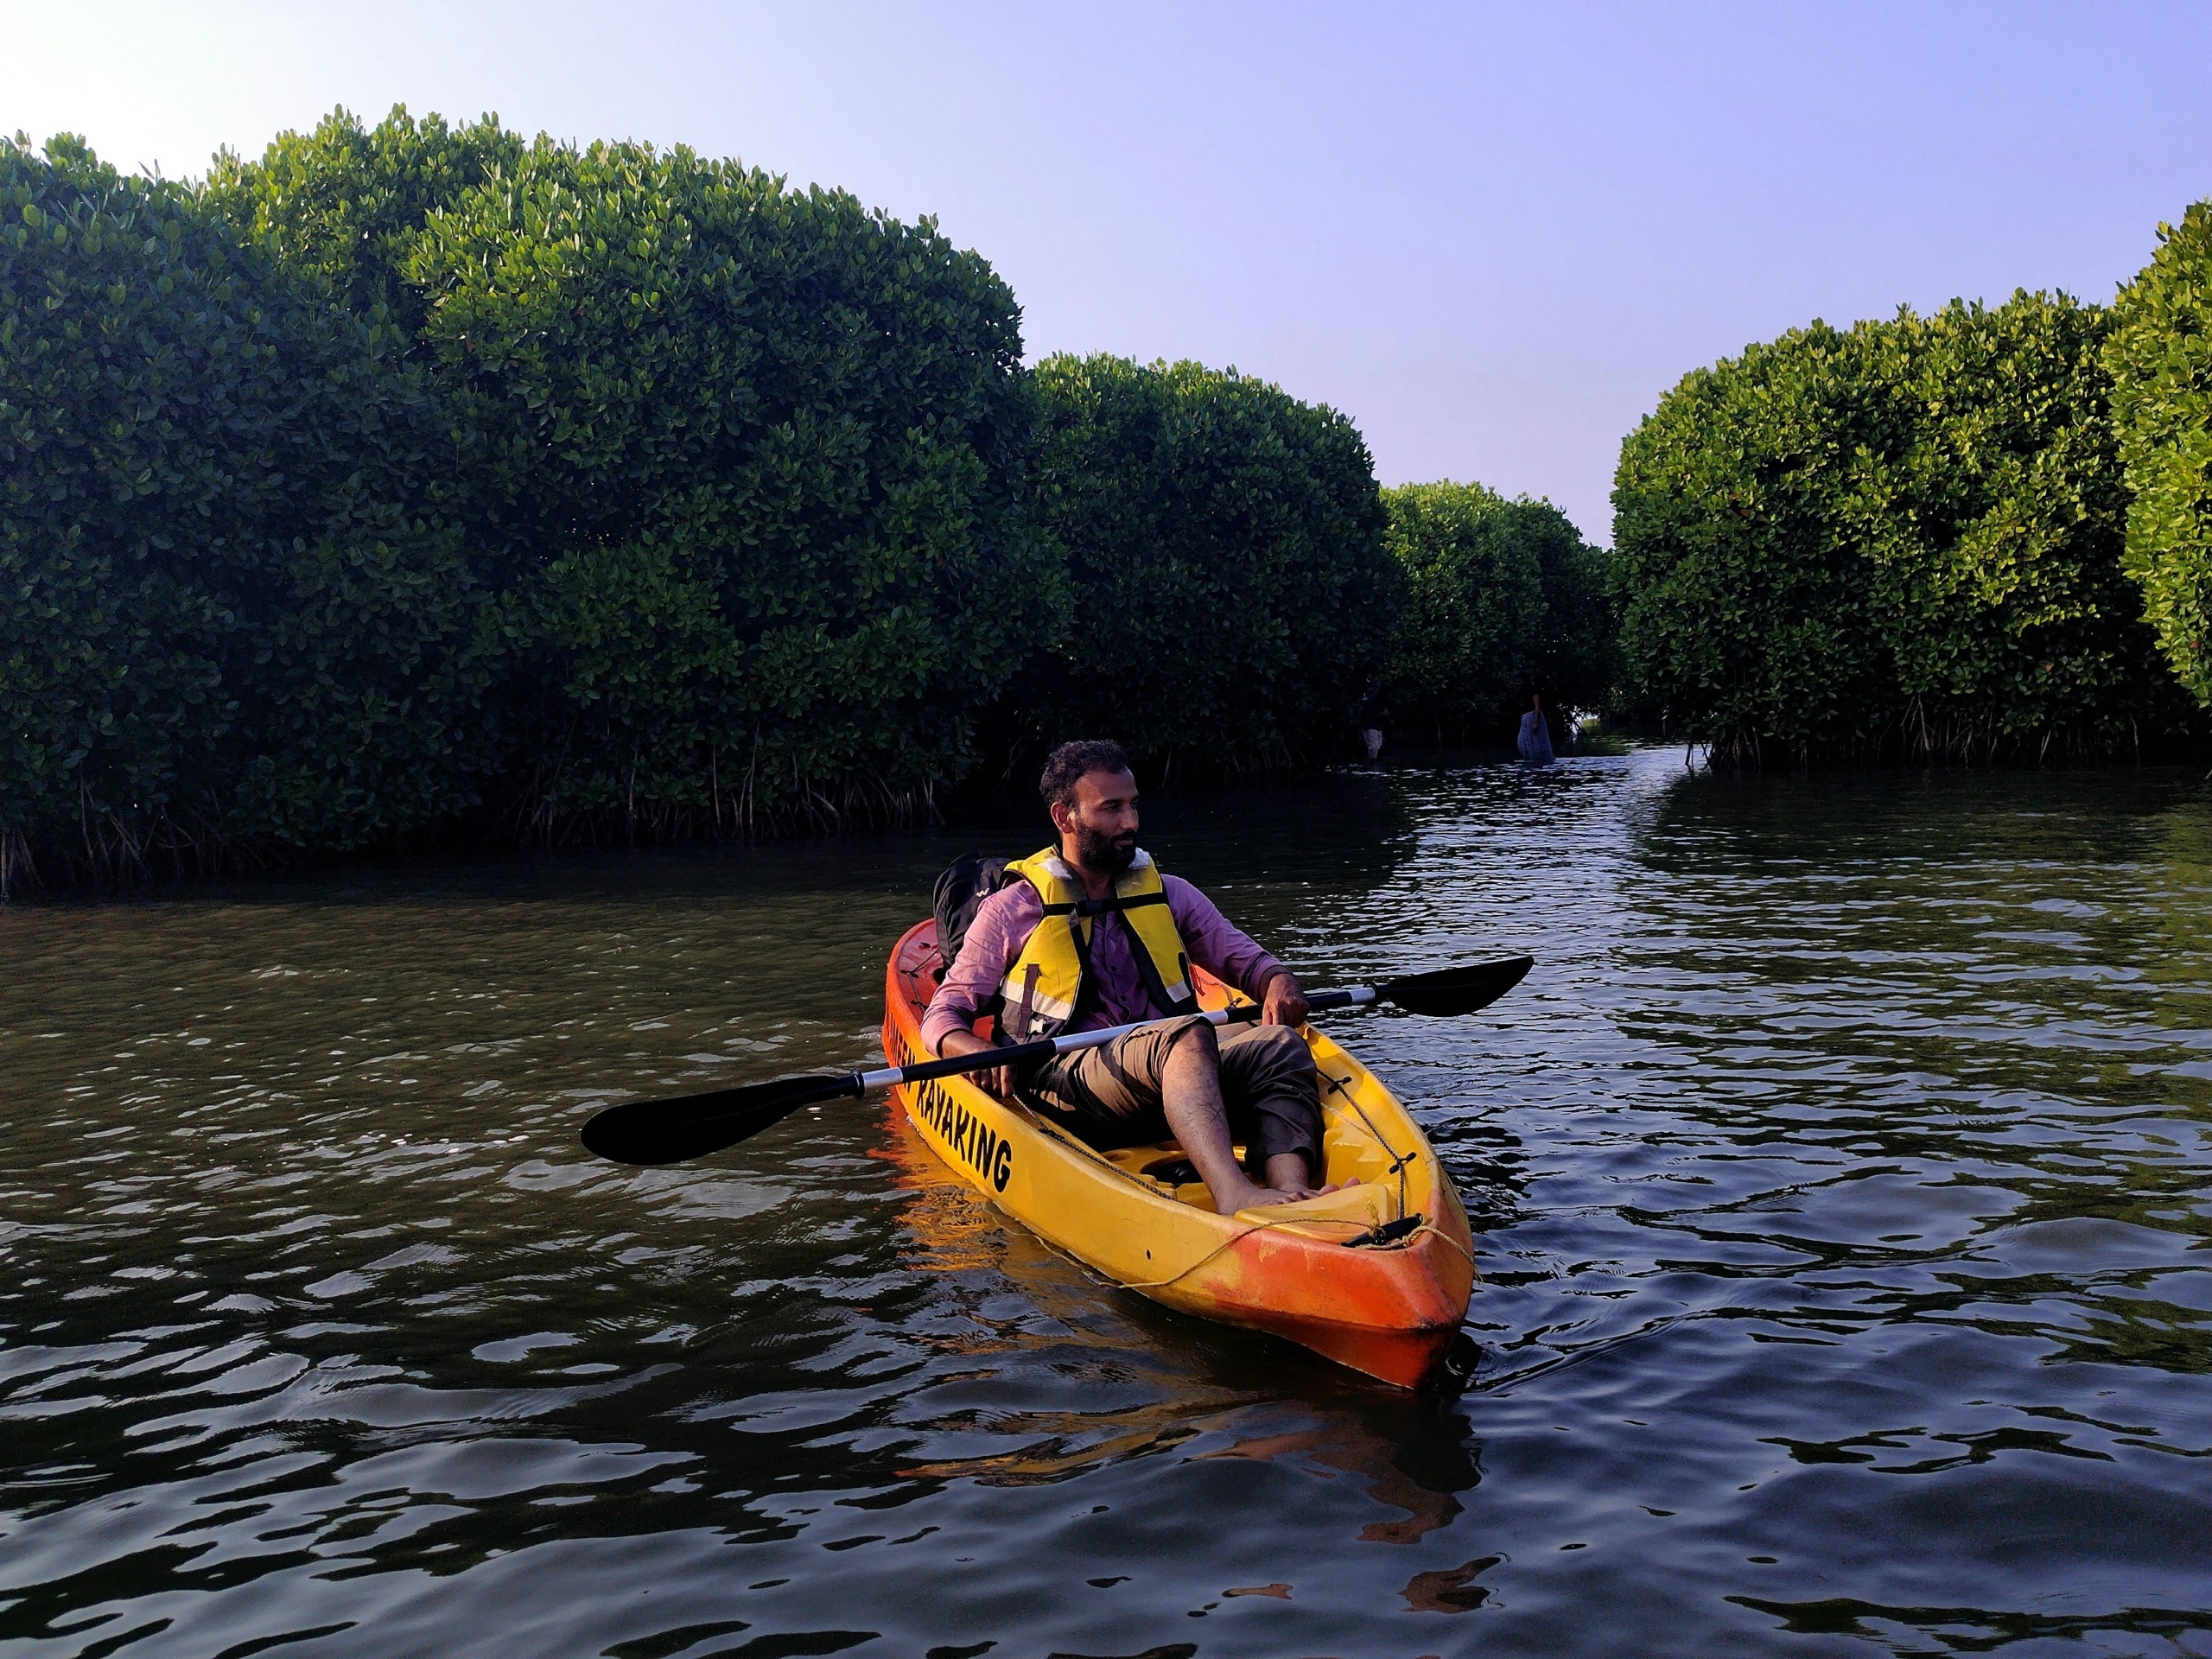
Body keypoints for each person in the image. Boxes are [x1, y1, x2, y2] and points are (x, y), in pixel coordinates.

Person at [923, 739, 1342, 1213]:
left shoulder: (1169, 892)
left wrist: (1278, 979)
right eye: (1112, 808)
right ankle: (1234, 1195)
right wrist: (975, 1049)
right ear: (1065, 817)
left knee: (1279, 1045)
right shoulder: (1012, 909)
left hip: (1177, 1071)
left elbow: (1245, 960)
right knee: (1186, 1034)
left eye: (1133, 805)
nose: (1131, 822)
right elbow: (941, 1016)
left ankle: (1291, 1189)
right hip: (1067, 1082)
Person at [1517, 693, 1555, 766]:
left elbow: (1537, 705)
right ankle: (1531, 758)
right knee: (1523, 742)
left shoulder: (1531, 689)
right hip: (1526, 718)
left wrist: (1535, 722)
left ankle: (1538, 759)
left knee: (1535, 742)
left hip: (1532, 717)